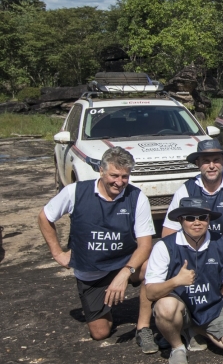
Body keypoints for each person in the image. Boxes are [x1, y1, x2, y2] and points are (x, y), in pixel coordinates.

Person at [37, 147, 155, 345]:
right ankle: (105, 304)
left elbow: (145, 245)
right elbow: (44, 217)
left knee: (155, 266)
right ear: (101, 171)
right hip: (91, 272)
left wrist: (124, 273)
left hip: (123, 263)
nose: (119, 182)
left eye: (125, 176)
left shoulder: (136, 197)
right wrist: (57, 253)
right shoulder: (75, 192)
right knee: (100, 333)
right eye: (114, 175)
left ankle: (144, 326)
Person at [144, 198, 223, 364]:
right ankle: (177, 347)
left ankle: (196, 329)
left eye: (202, 217)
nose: (197, 222)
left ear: (208, 220)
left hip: (211, 306)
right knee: (165, 306)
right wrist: (176, 281)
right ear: (180, 220)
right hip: (180, 307)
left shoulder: (220, 243)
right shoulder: (164, 246)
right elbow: (151, 293)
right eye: (190, 218)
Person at [162, 139, 223, 260]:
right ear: (197, 163)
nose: (212, 166)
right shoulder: (185, 190)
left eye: (216, 160)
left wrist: (203, 258)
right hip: (189, 257)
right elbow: (168, 233)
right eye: (206, 161)